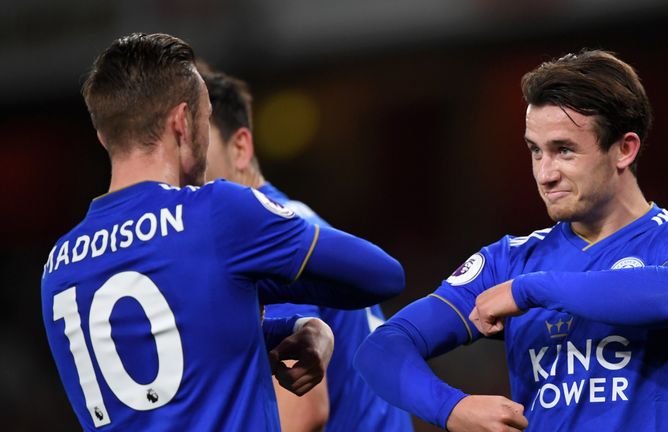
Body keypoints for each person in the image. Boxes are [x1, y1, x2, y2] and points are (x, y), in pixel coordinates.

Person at [354, 49, 668, 431]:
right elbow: (382, 349)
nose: (544, 174)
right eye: (535, 151)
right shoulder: (507, 261)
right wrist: (452, 408)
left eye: (564, 151)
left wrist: (529, 291)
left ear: (624, 149)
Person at [40, 32, 405, 431]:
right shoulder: (217, 213)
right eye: (205, 116)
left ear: (103, 136)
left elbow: (177, 345)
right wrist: (272, 289)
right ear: (183, 123)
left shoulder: (58, 266)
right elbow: (384, 275)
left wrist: (298, 326)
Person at [200, 64, 414, 432]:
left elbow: (300, 415)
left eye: (197, 151)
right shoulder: (294, 227)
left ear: (239, 148)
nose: (184, 174)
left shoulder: (268, 245)